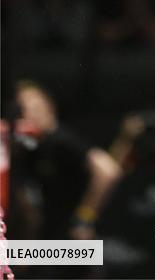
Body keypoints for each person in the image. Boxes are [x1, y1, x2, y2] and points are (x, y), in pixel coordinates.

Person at [10, 81, 122, 240]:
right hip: (48, 237)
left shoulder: (62, 140)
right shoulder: (33, 147)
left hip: (75, 238)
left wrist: (84, 219)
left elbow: (108, 171)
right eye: (22, 111)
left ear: (50, 108)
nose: (29, 116)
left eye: (35, 109)